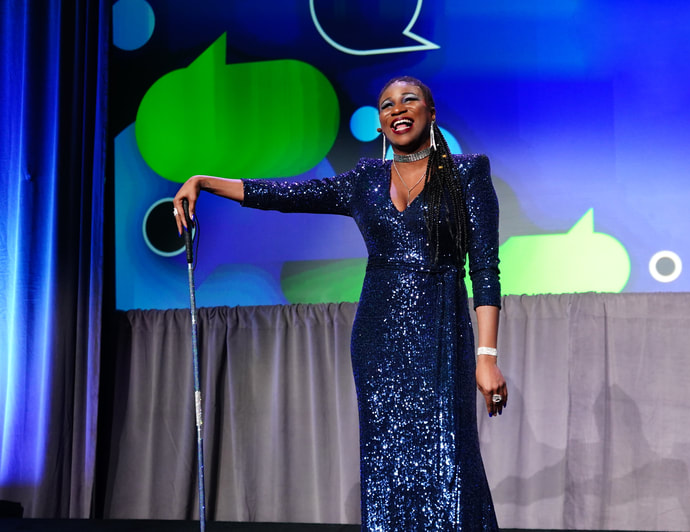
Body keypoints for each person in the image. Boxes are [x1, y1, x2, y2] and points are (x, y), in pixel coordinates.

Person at [173, 76, 508, 531]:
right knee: (387, 460)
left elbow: (485, 269)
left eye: (409, 100)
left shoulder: (468, 174)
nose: (397, 109)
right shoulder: (364, 181)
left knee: (449, 458)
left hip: (442, 334)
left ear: (430, 112)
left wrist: (486, 358)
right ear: (379, 124)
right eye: (386, 105)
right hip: (377, 337)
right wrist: (203, 181)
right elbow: (285, 196)